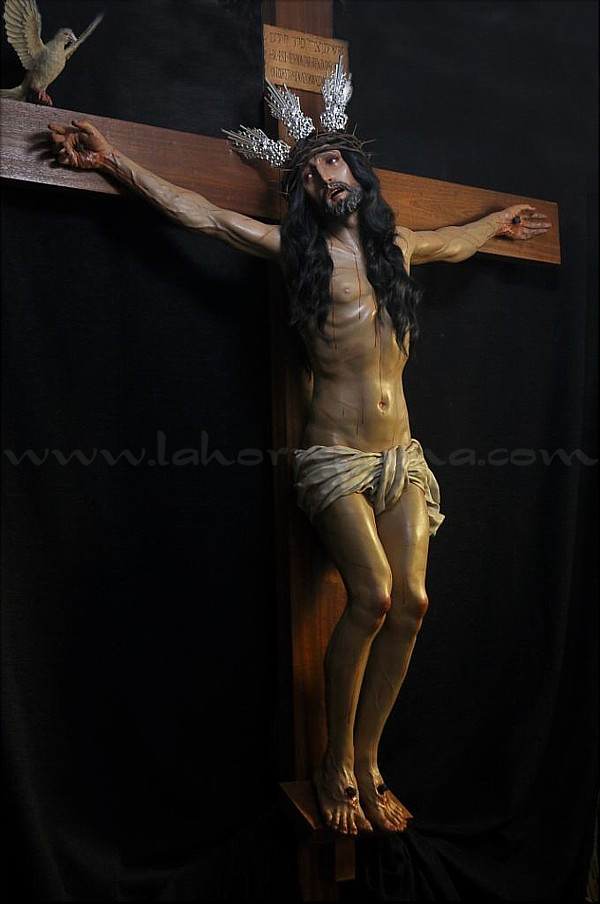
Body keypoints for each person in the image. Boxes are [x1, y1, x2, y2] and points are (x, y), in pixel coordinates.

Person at [48, 116, 551, 836]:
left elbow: (460, 240)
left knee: (413, 602)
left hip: (401, 456)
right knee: (373, 596)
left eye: (333, 164)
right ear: (303, 195)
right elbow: (202, 214)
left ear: (356, 172)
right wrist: (114, 161)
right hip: (335, 457)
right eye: (310, 176)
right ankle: (335, 760)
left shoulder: (400, 249)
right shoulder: (293, 252)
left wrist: (499, 221)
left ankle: (371, 761)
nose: (324, 179)